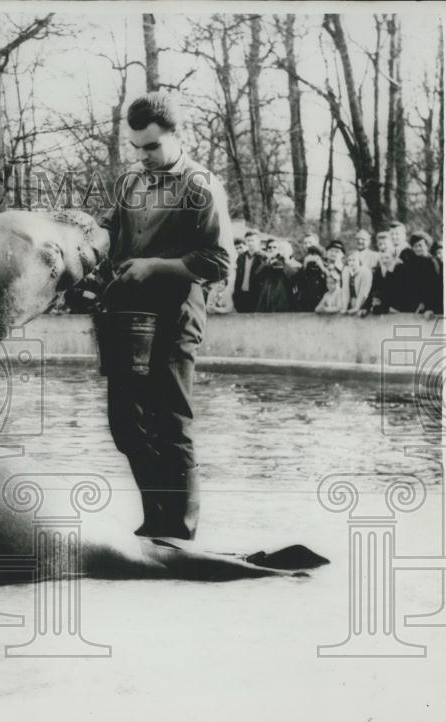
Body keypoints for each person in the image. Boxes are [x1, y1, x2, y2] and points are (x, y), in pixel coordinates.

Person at [98, 91, 233, 542]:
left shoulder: (201, 185)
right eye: (135, 147)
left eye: (152, 146)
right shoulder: (129, 182)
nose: (142, 156)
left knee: (170, 420)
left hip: (176, 309)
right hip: (128, 314)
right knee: (125, 421)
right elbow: (109, 230)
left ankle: (179, 528)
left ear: (178, 136)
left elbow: (219, 262)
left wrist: (154, 266)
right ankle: (155, 518)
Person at [255, 238, 295, 312]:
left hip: (283, 296)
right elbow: (257, 274)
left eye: (275, 247)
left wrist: (285, 261)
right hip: (267, 295)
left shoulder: (289, 261)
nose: (272, 249)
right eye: (269, 247)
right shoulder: (265, 261)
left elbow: (293, 276)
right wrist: (268, 262)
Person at [232, 229, 266, 313]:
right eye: (248, 240)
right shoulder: (241, 257)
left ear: (258, 241)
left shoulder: (263, 257)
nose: (250, 243)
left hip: (256, 293)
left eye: (252, 240)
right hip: (241, 293)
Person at [294, 246, 329, 311]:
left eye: (315, 254)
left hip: (321, 301)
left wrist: (321, 266)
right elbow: (297, 281)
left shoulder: (324, 268)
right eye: (311, 254)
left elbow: (330, 279)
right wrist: (305, 265)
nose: (313, 258)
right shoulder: (304, 269)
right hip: (306, 302)